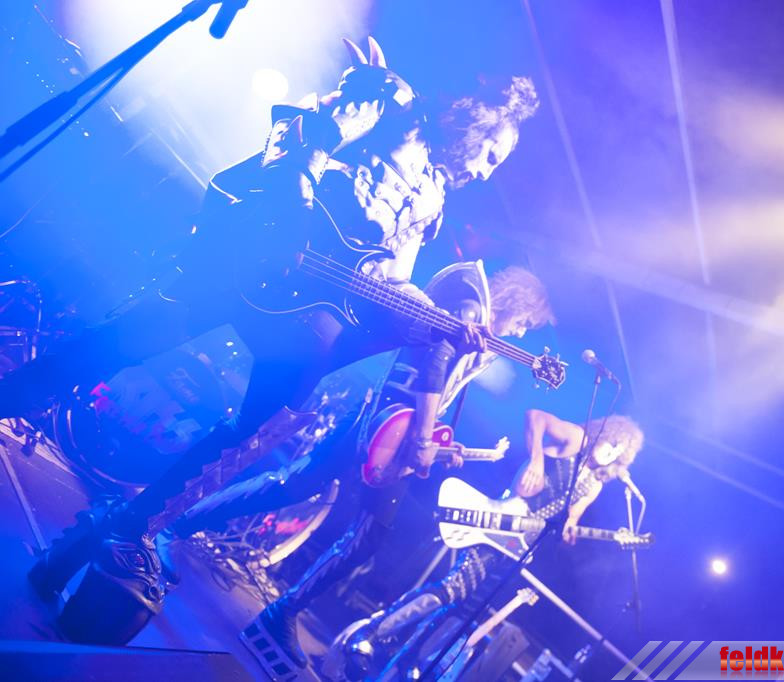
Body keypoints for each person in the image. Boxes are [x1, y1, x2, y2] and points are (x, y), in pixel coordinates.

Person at [6, 37, 539, 644]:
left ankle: (132, 522)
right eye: (492, 152)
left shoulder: (435, 197)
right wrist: (295, 215)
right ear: (475, 118)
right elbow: (299, 132)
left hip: (299, 311)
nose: (487, 170)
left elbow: (390, 278)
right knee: (117, 345)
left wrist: (442, 321)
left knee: (265, 422)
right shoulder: (395, 108)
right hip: (247, 260)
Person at [162, 264, 554, 677]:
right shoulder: (471, 308)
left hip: (394, 422)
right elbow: (432, 366)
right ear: (516, 304)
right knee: (323, 501)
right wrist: (424, 439)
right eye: (525, 323)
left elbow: (440, 383)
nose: (520, 333)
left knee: (313, 493)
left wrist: (440, 443)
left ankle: (260, 594)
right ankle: (200, 540)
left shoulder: (480, 328)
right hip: (389, 419)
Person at [329, 409, 645, 681]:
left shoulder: (594, 485)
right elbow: (535, 417)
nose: (611, 451)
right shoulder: (576, 439)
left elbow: (571, 519)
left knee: (464, 607)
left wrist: (570, 531)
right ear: (606, 433)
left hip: (520, 546)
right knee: (453, 589)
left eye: (619, 450)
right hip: (502, 519)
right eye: (612, 442)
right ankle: (371, 632)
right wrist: (536, 459)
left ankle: (405, 663)